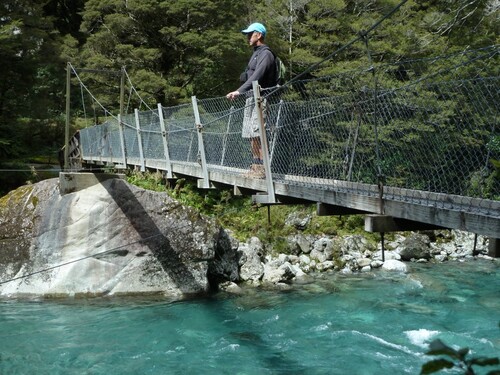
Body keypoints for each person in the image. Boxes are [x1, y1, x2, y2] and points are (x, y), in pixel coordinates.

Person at [226, 22, 277, 178]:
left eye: (250, 34)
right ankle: (255, 167)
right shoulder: (255, 53)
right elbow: (251, 75)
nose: (248, 37)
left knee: (258, 132)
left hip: (261, 98)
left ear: (259, 35)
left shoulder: (266, 54)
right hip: (250, 97)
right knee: (250, 133)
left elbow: (258, 76)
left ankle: (263, 169)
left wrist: (239, 91)